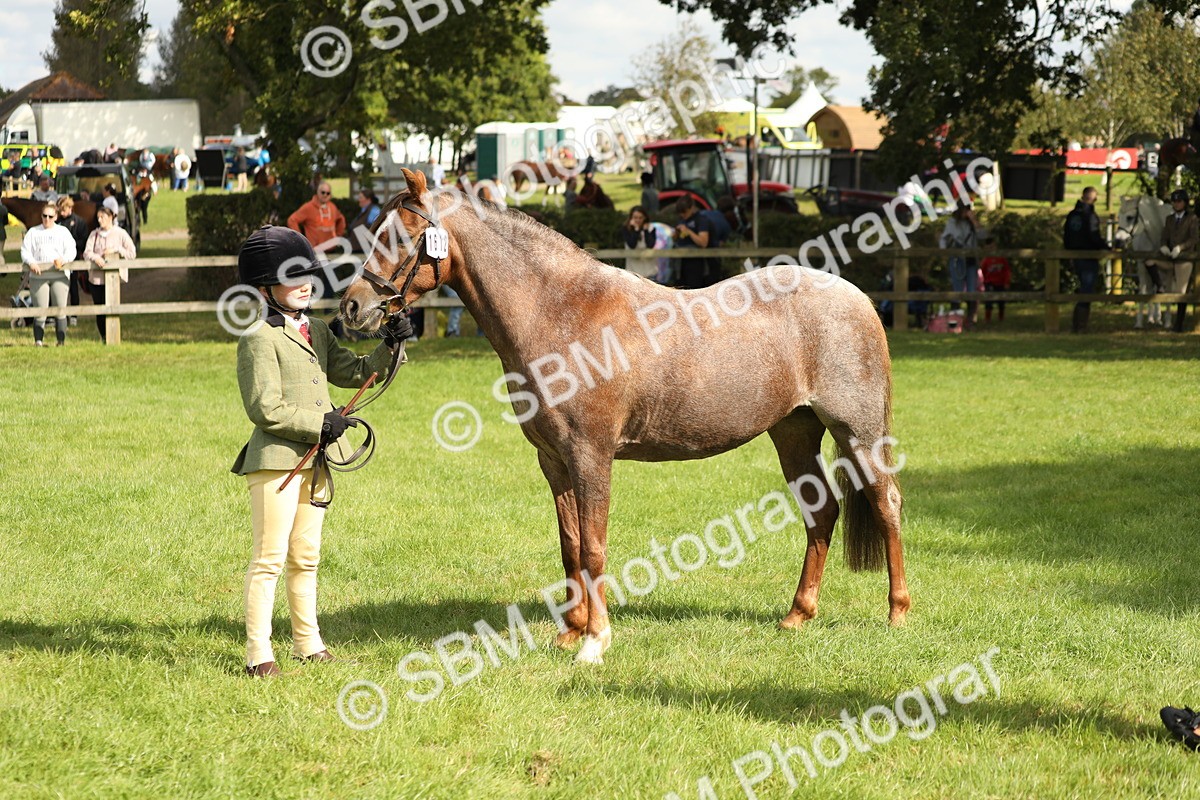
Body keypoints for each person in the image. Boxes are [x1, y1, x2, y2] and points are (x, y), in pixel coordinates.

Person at [230, 225, 411, 677]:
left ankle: (308, 644)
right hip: (277, 461)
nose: (305, 284)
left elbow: (356, 371)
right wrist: (321, 423)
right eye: (293, 278)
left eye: (308, 275)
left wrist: (391, 344)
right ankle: (258, 653)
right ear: (266, 287)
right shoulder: (258, 338)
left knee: (306, 555)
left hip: (319, 458)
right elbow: (264, 408)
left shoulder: (317, 331)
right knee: (270, 557)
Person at [20, 203, 77, 346]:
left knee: (60, 308)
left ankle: (61, 341)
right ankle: (38, 341)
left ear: (56, 217)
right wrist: (31, 262)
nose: (47, 219)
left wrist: (65, 259)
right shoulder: (33, 232)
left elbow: (71, 249)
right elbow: (25, 251)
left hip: (59, 275)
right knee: (40, 309)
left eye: (50, 216)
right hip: (39, 276)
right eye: (44, 216)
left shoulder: (63, 232)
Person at [1145, 189, 1198, 332]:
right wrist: (1163, 246)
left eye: (1179, 201)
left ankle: (1178, 324)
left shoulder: (1192, 219)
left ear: (1185, 203)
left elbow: (1194, 238)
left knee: (1181, 292)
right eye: (1174, 202)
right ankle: (1160, 286)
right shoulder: (1169, 219)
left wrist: (1180, 248)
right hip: (1169, 256)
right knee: (1149, 261)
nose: (1176, 204)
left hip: (1185, 258)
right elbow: (1164, 236)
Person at [83, 205, 136, 343]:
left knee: (111, 308)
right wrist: (96, 258)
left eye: (103, 217)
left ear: (111, 217)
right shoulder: (94, 234)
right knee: (99, 309)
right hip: (96, 279)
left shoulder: (121, 233)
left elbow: (132, 253)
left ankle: (113, 336)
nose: (100, 220)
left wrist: (116, 250)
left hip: (113, 279)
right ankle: (104, 337)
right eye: (98, 217)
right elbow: (87, 252)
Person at [1063, 186, 1110, 333]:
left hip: (1074, 256)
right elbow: (1094, 236)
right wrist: (1107, 248)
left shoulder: (1072, 215)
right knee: (1087, 289)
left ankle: (1077, 324)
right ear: (1094, 199)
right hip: (1089, 257)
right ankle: (1081, 326)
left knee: (1083, 287)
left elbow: (1067, 237)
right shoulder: (1090, 216)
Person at [940, 203, 981, 328]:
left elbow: (983, 235)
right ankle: (955, 321)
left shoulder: (971, 224)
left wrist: (974, 221)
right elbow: (945, 238)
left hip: (970, 258)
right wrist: (943, 252)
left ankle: (971, 320)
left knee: (971, 290)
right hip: (957, 259)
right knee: (957, 290)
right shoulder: (952, 222)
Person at [287, 182, 346, 253]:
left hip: (332, 251)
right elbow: (292, 220)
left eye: (328, 193)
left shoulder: (332, 207)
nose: (325, 195)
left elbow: (341, 219)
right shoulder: (308, 207)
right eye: (323, 192)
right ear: (317, 192)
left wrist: (338, 237)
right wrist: (300, 240)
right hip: (315, 252)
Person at [56, 196, 89, 312]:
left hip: (73, 259)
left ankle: (74, 314)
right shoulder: (57, 222)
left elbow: (84, 241)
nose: (62, 213)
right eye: (60, 210)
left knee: (73, 287)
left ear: (70, 208)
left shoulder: (79, 222)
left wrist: (71, 245)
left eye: (63, 210)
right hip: (58, 259)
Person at [672, 196, 713, 289]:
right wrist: (676, 234)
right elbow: (675, 240)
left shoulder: (701, 219)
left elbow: (703, 242)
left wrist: (688, 231)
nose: (682, 215)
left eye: (684, 212)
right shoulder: (681, 220)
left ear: (691, 208)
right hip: (681, 261)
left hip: (695, 262)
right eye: (680, 213)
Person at [980, 236, 1012, 323]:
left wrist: (1006, 282)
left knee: (1001, 301)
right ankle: (987, 318)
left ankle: (1001, 317)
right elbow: (982, 271)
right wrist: (984, 282)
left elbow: (1007, 271)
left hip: (1000, 283)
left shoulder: (1001, 259)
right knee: (989, 301)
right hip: (989, 283)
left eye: (993, 247)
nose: (991, 249)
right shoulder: (986, 260)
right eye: (989, 247)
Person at [622, 206, 658, 279]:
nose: (638, 220)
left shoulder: (651, 228)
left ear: (644, 218)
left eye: (640, 218)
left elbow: (650, 245)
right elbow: (632, 245)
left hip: (649, 270)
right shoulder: (626, 229)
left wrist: (645, 231)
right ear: (631, 218)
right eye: (635, 217)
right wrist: (636, 230)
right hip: (633, 271)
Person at [347, 189, 381, 253]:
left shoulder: (374, 211)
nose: (359, 200)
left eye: (361, 198)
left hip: (365, 251)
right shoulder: (364, 210)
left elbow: (376, 228)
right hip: (358, 249)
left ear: (368, 199)